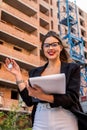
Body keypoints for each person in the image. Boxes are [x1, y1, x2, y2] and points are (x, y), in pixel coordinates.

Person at [4, 31, 87, 130]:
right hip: (41, 118)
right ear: (43, 49)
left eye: (54, 45)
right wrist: (18, 75)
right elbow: (29, 101)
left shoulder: (72, 68)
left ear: (60, 47)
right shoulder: (34, 72)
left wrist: (42, 96)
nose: (50, 48)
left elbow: (72, 98)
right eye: (47, 45)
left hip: (65, 118)